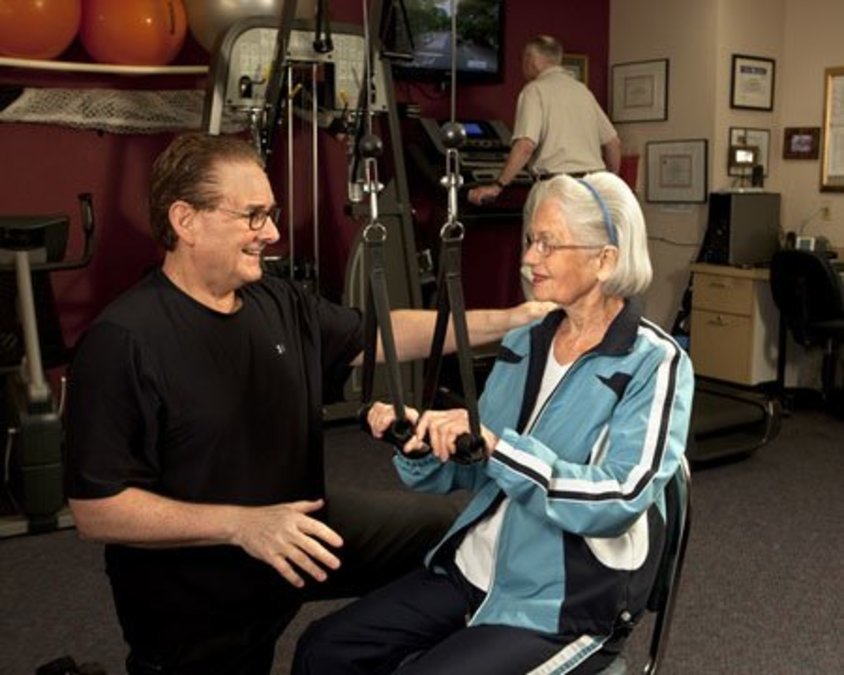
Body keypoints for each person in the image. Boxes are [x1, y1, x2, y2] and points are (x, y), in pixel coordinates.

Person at [64, 132, 554, 675]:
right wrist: (243, 525)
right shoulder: (124, 340)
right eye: (253, 216)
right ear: (186, 220)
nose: (271, 233)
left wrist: (509, 321)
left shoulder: (274, 298)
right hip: (199, 586)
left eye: (270, 214)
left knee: (466, 531)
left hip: (300, 525)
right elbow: (96, 510)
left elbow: (381, 335)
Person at [292, 172, 694, 674]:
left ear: (605, 259)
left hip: (563, 602)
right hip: (474, 566)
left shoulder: (653, 363)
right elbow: (475, 467)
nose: (529, 259)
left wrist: (500, 447)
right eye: (531, 241)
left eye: (548, 244)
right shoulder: (528, 342)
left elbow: (621, 497)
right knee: (325, 648)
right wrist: (424, 441)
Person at [467, 35, 621, 207]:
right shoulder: (583, 91)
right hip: (593, 190)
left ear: (531, 59)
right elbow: (613, 143)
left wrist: (497, 186)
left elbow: (525, 145)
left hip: (558, 190)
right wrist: (610, 181)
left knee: (542, 235)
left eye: (524, 57)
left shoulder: (534, 90)